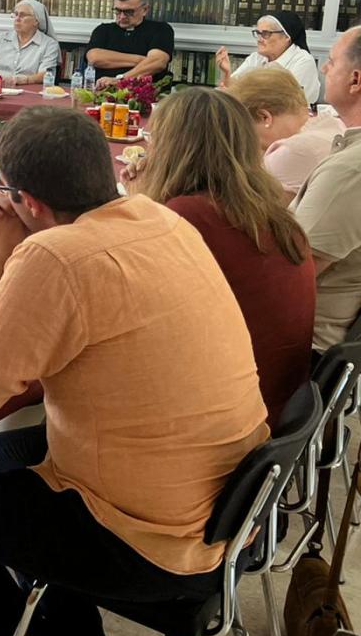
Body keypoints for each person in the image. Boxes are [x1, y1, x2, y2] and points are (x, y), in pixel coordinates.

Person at [0, 107, 268, 636]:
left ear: (30, 202)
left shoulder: (55, 255)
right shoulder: (162, 218)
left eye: (8, 191)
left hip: (151, 542)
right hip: (230, 504)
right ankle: (74, 635)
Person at [125, 87, 314, 425]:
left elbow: (127, 304)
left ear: (171, 148)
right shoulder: (269, 213)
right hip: (281, 413)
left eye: (154, 139)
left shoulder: (187, 216)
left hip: (225, 422)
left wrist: (143, 207)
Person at [290, 26, 361, 351]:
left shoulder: (350, 170)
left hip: (302, 348)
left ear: (355, 80)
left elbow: (288, 272)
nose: (323, 69)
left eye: (331, 61)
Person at [226, 66, 344, 197]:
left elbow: (244, 203)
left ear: (265, 117)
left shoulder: (289, 151)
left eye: (245, 129)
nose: (246, 140)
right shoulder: (335, 124)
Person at [215, 11, 320, 104]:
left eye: (266, 34)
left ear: (286, 37)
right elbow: (232, 89)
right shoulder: (256, 57)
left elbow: (282, 102)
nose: (259, 39)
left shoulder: (303, 61)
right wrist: (227, 73)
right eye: (258, 33)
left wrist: (243, 92)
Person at [85, 0, 174, 84]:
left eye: (129, 12)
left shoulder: (161, 30)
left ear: (145, 10)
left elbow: (157, 63)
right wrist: (143, 60)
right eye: (118, 11)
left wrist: (120, 80)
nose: (122, 16)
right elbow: (94, 58)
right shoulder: (103, 30)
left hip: (145, 92)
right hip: (103, 91)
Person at [0, 0, 61, 86]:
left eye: (22, 15)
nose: (17, 18)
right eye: (16, 14)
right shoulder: (0, 39)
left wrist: (23, 80)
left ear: (36, 21)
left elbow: (45, 75)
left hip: (28, 91)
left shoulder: (49, 45)